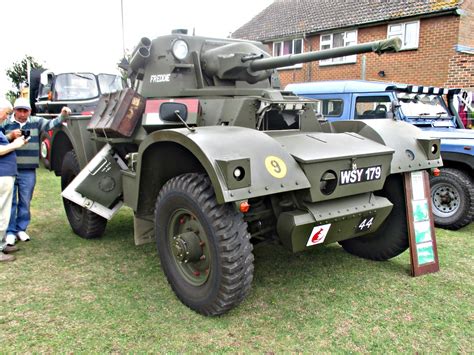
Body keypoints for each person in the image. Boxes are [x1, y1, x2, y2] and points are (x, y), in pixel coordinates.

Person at [1, 97, 71, 246]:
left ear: (30, 111)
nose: (22, 114)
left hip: (28, 169)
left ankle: (21, 228)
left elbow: (51, 125)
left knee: (25, 201)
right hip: (10, 169)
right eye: (19, 110)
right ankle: (10, 231)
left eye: (25, 111)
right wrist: (11, 136)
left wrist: (63, 115)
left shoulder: (36, 121)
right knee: (11, 201)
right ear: (14, 110)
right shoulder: (6, 123)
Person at [0, 98, 28, 261]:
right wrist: (15, 144)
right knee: (2, 211)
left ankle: (2, 244)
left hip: (6, 174)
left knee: (4, 211)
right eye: (6, 113)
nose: (6, 117)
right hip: (2, 175)